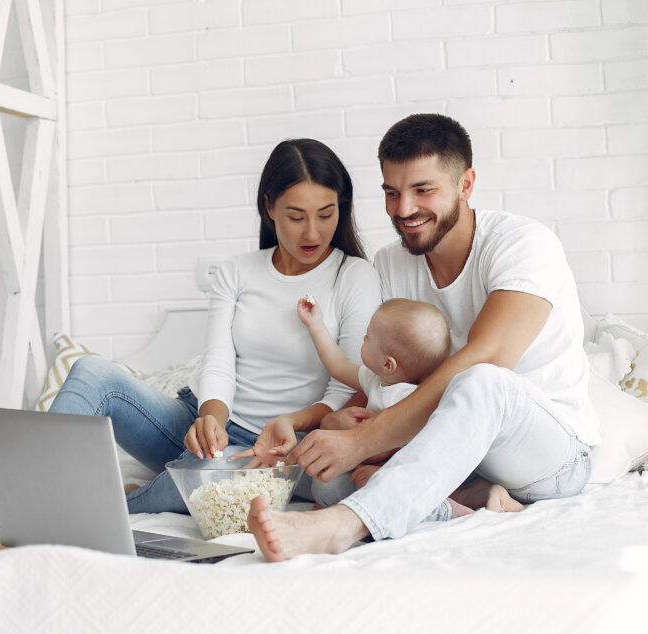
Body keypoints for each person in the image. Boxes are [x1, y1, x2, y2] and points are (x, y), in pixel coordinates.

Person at [0, 138, 381, 553]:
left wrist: (292, 423)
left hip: (282, 448)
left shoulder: (354, 276)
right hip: (208, 426)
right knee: (92, 373)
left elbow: (347, 384)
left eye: (325, 215)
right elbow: (219, 362)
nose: (312, 232)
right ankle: (12, 520)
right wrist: (211, 418)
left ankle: (113, 502)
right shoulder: (237, 272)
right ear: (269, 207)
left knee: (208, 477)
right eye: (296, 216)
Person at [248, 113, 601, 561]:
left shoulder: (523, 244)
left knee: (482, 379)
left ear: (466, 184)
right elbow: (385, 375)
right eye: (392, 193)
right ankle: (471, 499)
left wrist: (365, 440)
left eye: (423, 190)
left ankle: (345, 526)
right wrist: (334, 425)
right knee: (331, 476)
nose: (404, 209)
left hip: (549, 457)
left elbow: (488, 357)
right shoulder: (392, 263)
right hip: (453, 455)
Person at [298, 296, 520, 516]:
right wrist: (316, 325)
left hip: (411, 471)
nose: (363, 340)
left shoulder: (407, 399)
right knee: (328, 483)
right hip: (380, 466)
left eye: (367, 338)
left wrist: (380, 472)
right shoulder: (376, 380)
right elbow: (338, 365)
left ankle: (449, 511)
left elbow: (420, 453)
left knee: (341, 488)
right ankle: (485, 493)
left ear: (387, 363)